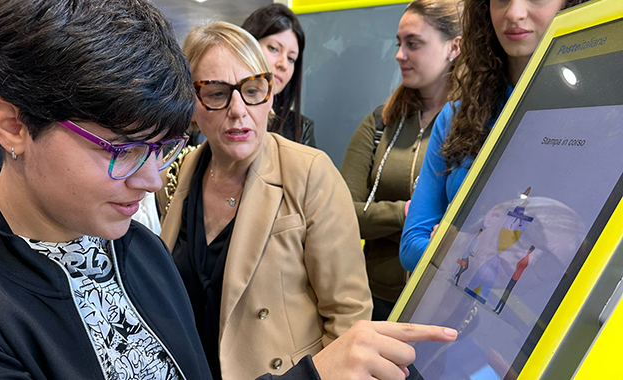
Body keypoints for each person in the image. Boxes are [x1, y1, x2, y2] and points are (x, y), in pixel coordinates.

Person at [0, 1, 459, 379]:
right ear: (12, 126)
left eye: (254, 88)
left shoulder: (132, 245)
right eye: (121, 149)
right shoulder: (175, 182)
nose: (148, 179)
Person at [158, 21, 374, 380]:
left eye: (252, 89)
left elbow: (349, 318)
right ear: (191, 103)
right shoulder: (179, 174)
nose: (239, 110)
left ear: (270, 94)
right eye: (215, 93)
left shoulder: (307, 172)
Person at [399, 0, 591, 271]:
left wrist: (462, 247)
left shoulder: (602, 113)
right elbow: (411, 246)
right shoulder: (457, 115)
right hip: (458, 307)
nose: (514, 13)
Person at [341, 0, 461, 321]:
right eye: (399, 44)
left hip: (442, 301)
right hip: (373, 297)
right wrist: (407, 213)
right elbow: (343, 213)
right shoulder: (380, 123)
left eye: (414, 44)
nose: (399, 54)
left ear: (454, 47)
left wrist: (381, 220)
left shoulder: (470, 127)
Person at [241, 4, 316, 147]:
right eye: (274, 48)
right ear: (248, 45)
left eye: (291, 58)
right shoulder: (214, 109)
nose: (283, 64)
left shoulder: (301, 129)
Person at [494, 245, 535, 314]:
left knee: (506, 294)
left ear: (529, 251)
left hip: (515, 277)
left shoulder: (526, 258)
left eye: (528, 249)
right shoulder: (527, 258)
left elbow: (518, 265)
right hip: (515, 276)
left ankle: (498, 309)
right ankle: (498, 309)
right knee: (506, 294)